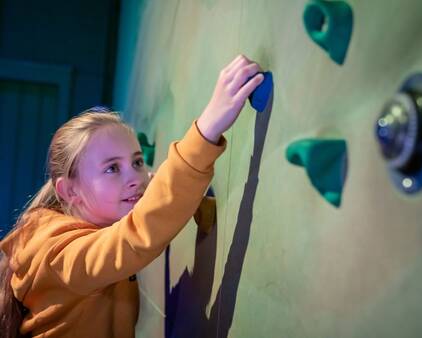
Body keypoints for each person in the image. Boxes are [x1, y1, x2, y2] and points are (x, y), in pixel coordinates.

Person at [0, 55, 264, 338]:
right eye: (112, 168)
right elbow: (133, 239)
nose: (135, 179)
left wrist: (175, 195)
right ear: (70, 191)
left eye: (137, 162)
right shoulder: (60, 256)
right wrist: (207, 129)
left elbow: (145, 197)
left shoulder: (76, 223)